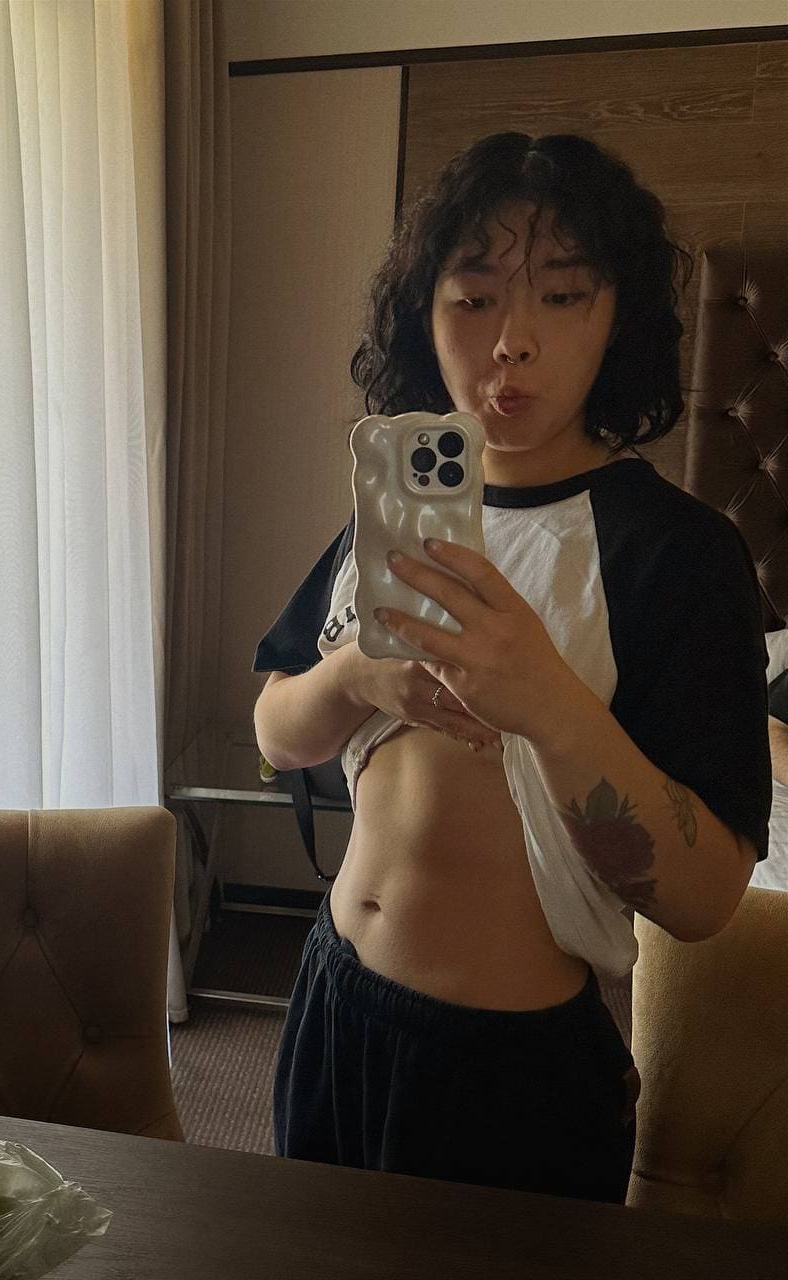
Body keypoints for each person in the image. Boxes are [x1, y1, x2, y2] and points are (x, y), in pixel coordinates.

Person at [252, 132, 771, 1204]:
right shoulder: (398, 508)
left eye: (564, 296)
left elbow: (707, 896)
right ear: (425, 314)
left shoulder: (675, 555)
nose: (512, 343)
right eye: (474, 298)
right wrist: (354, 678)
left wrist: (546, 699)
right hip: (335, 997)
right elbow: (274, 732)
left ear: (618, 317)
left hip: (509, 1068)